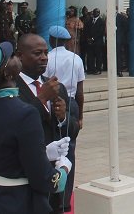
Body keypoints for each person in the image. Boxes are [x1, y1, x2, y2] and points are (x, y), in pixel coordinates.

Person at [0, 37, 71, 214]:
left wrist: (42, 152)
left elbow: (4, 151)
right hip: (20, 201)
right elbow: (47, 180)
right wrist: (63, 168)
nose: (16, 58)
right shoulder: (24, 113)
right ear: (7, 73)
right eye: (12, 56)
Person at [16, 34, 79, 213]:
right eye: (37, 53)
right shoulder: (12, 87)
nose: (44, 57)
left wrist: (63, 118)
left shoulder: (56, 87)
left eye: (45, 52)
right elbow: (15, 124)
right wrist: (41, 98)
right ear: (20, 55)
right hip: (27, 176)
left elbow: (72, 130)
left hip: (55, 176)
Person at [44, 26, 85, 212]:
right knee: (69, 151)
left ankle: (52, 194)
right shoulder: (76, 59)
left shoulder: (47, 58)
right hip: (70, 103)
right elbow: (80, 91)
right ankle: (65, 200)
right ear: (67, 40)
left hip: (51, 102)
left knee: (51, 147)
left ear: (51, 40)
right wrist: (80, 116)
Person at [84, 8, 105, 74]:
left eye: (96, 12)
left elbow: (100, 32)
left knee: (98, 56)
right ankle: (91, 69)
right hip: (90, 42)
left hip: (97, 42)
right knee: (90, 56)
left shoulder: (101, 21)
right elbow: (86, 30)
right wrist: (88, 38)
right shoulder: (90, 20)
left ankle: (98, 69)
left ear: (99, 13)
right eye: (94, 12)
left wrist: (93, 38)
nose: (94, 13)